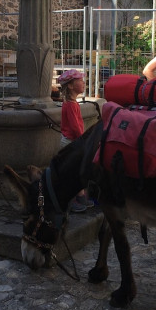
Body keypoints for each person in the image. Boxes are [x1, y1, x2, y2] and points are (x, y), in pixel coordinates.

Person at [57, 69, 94, 213]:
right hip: (71, 143)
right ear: (71, 86)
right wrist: (84, 140)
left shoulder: (71, 103)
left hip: (71, 142)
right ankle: (71, 200)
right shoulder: (71, 105)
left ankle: (81, 197)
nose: (84, 83)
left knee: (77, 171)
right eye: (80, 81)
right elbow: (75, 127)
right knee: (73, 173)